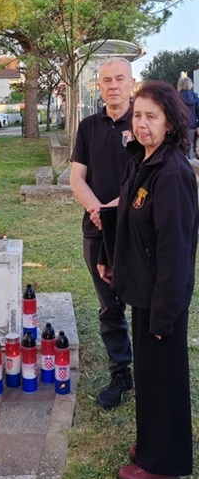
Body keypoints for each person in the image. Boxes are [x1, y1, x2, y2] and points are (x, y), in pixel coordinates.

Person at [97, 81, 197, 479]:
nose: (141, 124)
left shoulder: (173, 174)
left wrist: (164, 313)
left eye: (151, 116)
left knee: (164, 380)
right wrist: (113, 263)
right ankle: (153, 444)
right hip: (141, 290)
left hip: (161, 299)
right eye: (137, 115)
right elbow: (130, 222)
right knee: (152, 377)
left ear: (171, 123)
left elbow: (175, 251)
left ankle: (163, 465)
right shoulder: (142, 161)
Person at [69, 57, 135, 411]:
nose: (113, 85)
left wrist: (111, 211)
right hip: (97, 232)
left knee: (140, 301)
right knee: (109, 306)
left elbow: (149, 177)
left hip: (136, 229)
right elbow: (76, 178)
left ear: (132, 83)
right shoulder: (88, 127)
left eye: (119, 79)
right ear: (99, 86)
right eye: (106, 80)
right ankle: (121, 372)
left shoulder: (143, 122)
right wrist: (98, 212)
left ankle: (153, 370)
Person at [176, 74, 199, 159]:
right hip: (192, 125)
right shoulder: (195, 97)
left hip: (180, 125)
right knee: (190, 144)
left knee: (180, 146)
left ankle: (183, 167)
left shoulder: (176, 97)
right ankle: (191, 164)